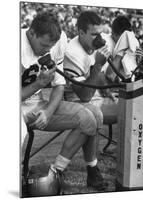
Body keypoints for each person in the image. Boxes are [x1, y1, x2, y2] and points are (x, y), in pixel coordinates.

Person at [21, 11, 105, 193]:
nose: (46, 50)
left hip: (38, 104)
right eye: (43, 45)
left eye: (50, 47)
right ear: (31, 33)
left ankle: (56, 172)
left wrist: (48, 112)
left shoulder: (59, 42)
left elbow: (59, 86)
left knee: (88, 118)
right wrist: (38, 83)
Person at [64, 11, 117, 116]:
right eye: (94, 34)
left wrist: (106, 91)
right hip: (77, 102)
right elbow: (85, 96)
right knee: (128, 110)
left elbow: (99, 74)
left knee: (131, 104)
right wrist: (98, 65)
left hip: (97, 96)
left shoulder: (93, 45)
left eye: (100, 34)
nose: (99, 38)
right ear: (81, 33)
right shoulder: (71, 53)